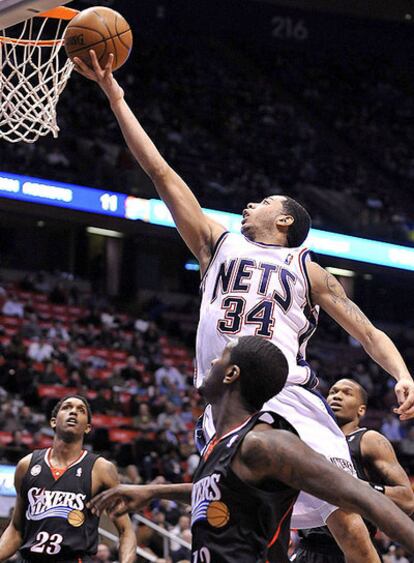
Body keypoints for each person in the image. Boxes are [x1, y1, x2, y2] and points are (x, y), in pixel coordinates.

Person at [74, 51, 414, 562]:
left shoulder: (308, 268)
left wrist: (402, 372)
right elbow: (161, 172)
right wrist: (115, 96)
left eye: (262, 203)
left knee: (345, 517)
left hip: (290, 394)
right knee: (234, 517)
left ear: (285, 223)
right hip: (230, 400)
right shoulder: (217, 243)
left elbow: (366, 331)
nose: (247, 206)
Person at [88, 337, 414, 563]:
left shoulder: (269, 442)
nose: (211, 360)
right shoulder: (226, 442)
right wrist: (150, 492)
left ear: (231, 374)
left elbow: (361, 496)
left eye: (221, 357)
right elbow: (217, 490)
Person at [0, 395, 136, 562]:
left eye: (81, 410)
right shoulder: (26, 466)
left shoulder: (101, 469)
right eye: (67, 407)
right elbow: (16, 529)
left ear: (87, 428)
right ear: (53, 422)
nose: (73, 412)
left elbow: (126, 531)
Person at [294, 378, 414, 563]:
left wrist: (354, 486)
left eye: (347, 392)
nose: (337, 396)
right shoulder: (311, 441)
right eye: (333, 392)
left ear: (361, 409)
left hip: (353, 549)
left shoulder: (369, 440)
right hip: (306, 549)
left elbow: (407, 500)